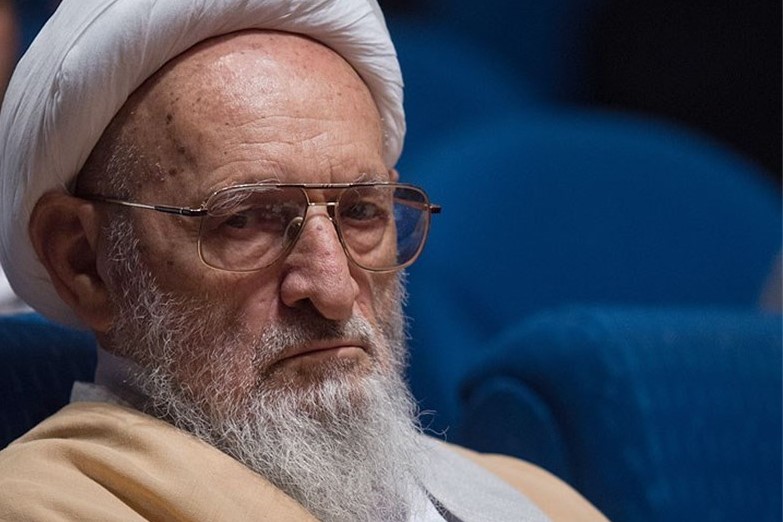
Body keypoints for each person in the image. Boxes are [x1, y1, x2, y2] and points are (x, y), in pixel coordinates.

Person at [0, 1, 607, 520]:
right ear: (85, 262)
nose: (334, 290)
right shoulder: (43, 505)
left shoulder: (529, 494)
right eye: (245, 220)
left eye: (362, 212)